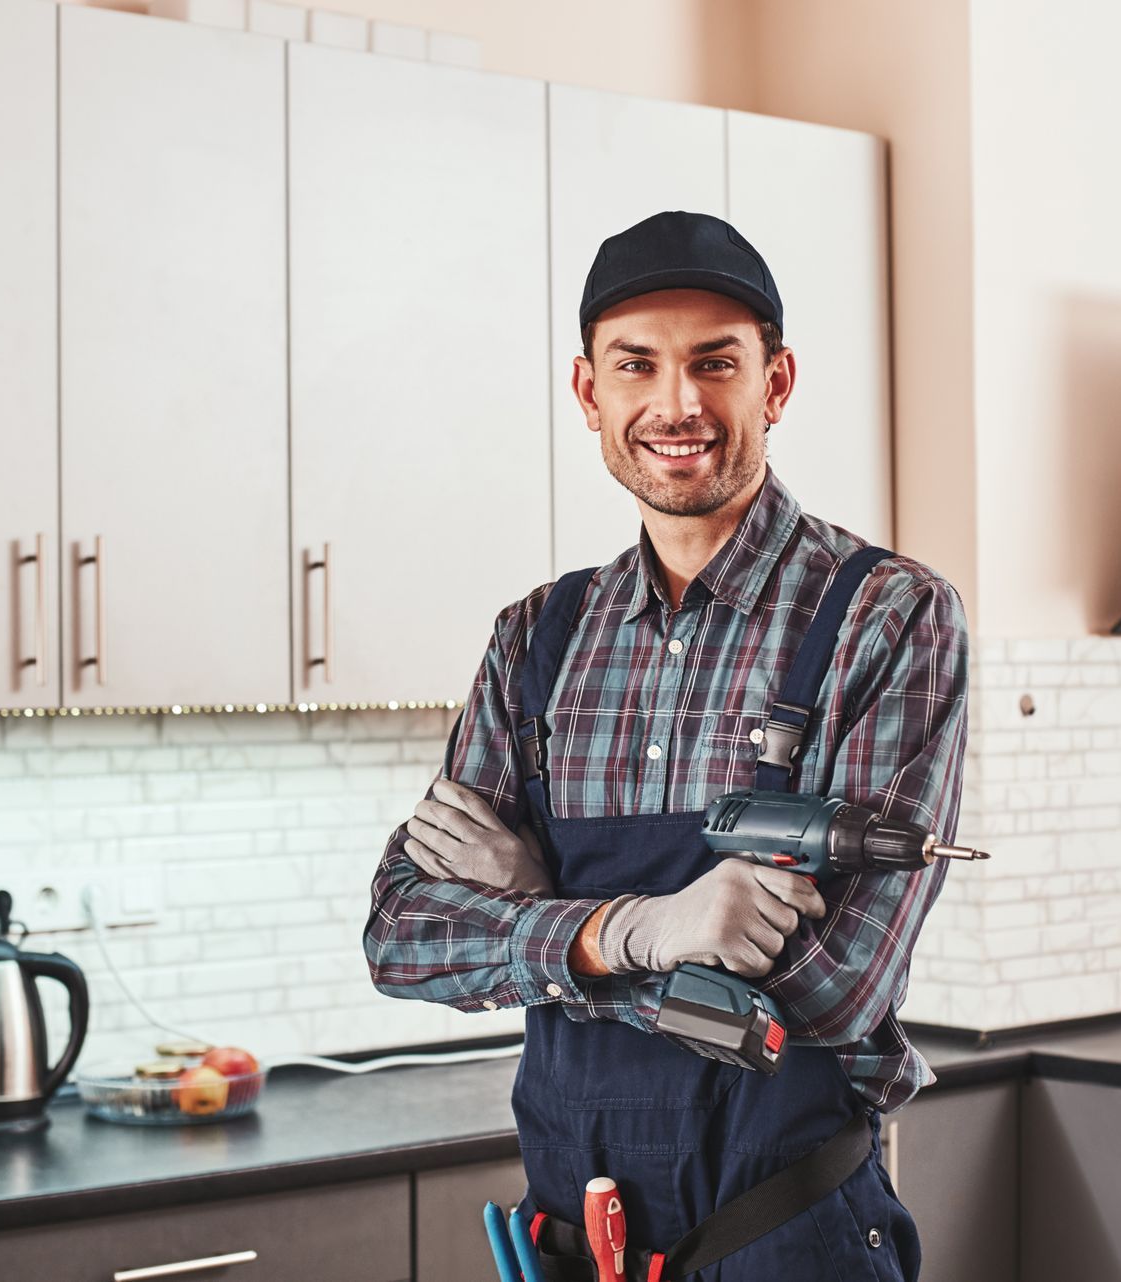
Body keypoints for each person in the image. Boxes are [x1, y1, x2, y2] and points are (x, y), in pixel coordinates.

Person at [363, 210, 969, 1280]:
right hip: (573, 1244)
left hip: (790, 1235)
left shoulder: (887, 617)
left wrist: (538, 913)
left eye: (714, 364)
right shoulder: (536, 640)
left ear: (774, 385)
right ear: (589, 392)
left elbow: (832, 996)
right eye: (636, 365)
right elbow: (403, 936)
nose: (675, 405)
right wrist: (646, 928)